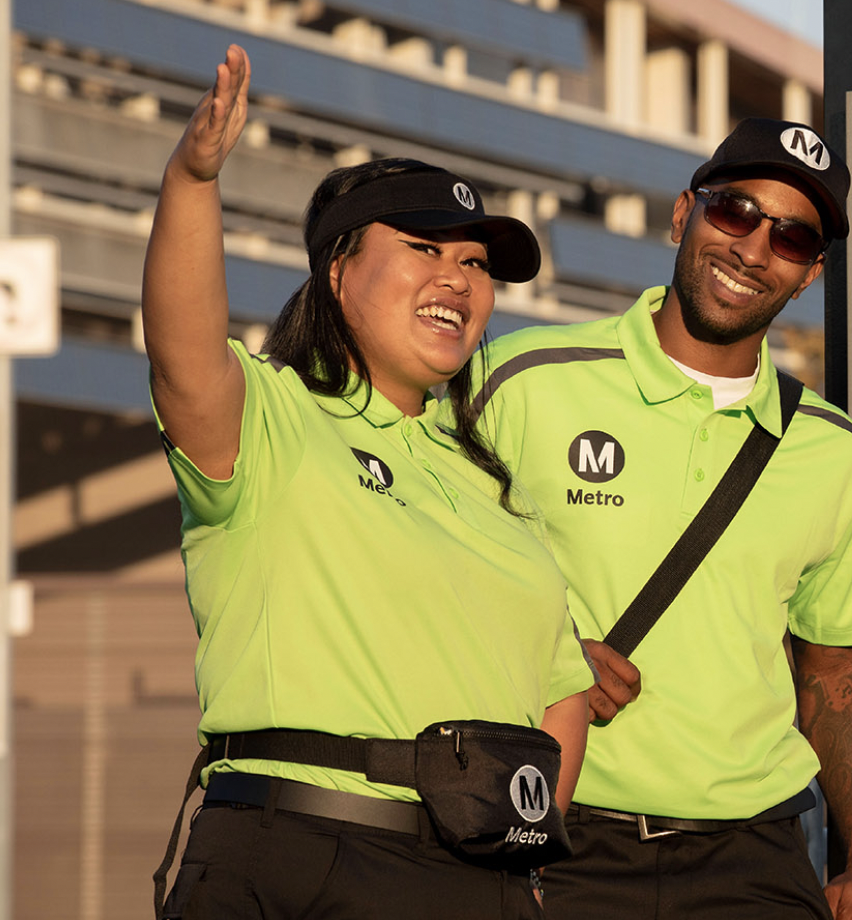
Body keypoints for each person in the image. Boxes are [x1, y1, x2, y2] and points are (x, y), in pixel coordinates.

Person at [146, 46, 592, 919]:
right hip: (299, 849)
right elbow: (183, 354)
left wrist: (528, 855)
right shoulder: (274, 418)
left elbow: (561, 688)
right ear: (339, 271)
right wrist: (192, 181)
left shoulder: (496, 487)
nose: (457, 278)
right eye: (424, 248)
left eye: (476, 264)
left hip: (479, 877)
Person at [465, 118, 852, 919]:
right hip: (555, 833)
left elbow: (837, 672)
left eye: (792, 237)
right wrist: (544, 657)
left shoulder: (837, 452)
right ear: (681, 214)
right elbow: (423, 574)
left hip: (757, 856)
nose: (754, 248)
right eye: (735, 210)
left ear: (810, 275)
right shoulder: (521, 381)